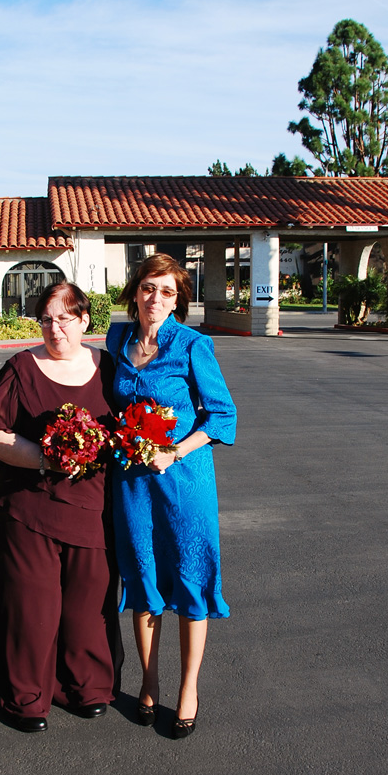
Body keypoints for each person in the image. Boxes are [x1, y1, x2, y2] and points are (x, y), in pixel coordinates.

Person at [0, 282, 122, 732]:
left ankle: (86, 687)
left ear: (85, 321)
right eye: (47, 320)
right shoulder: (20, 368)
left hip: (93, 508)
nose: (56, 329)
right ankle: (26, 697)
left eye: (65, 319)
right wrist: (45, 458)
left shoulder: (108, 368)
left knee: (87, 606)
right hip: (27, 509)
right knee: (29, 607)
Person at [106, 254, 236, 739]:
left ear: (179, 297)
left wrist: (174, 451)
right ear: (134, 292)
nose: (155, 298)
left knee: (189, 575)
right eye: (147, 288)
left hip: (184, 482)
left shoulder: (193, 345)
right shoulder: (118, 339)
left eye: (166, 291)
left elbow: (222, 416)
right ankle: (149, 680)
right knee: (142, 574)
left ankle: (188, 688)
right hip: (133, 483)